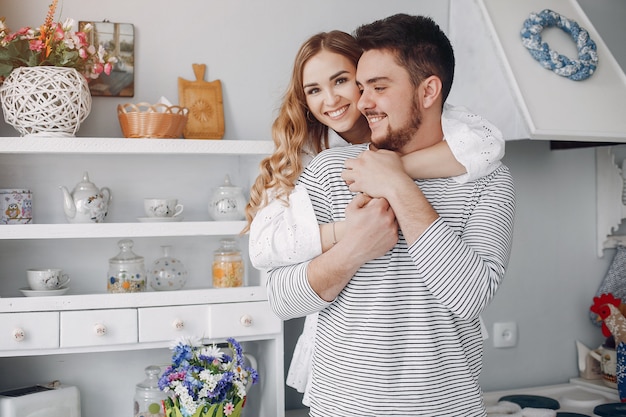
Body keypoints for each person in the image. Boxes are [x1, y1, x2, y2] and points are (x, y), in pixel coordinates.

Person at [264, 14, 515, 417]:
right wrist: (354, 249)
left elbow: (469, 297)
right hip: (341, 409)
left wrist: (398, 184)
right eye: (361, 87)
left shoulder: (488, 181)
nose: (361, 103)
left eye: (378, 88)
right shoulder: (332, 171)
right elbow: (279, 298)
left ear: (429, 90)